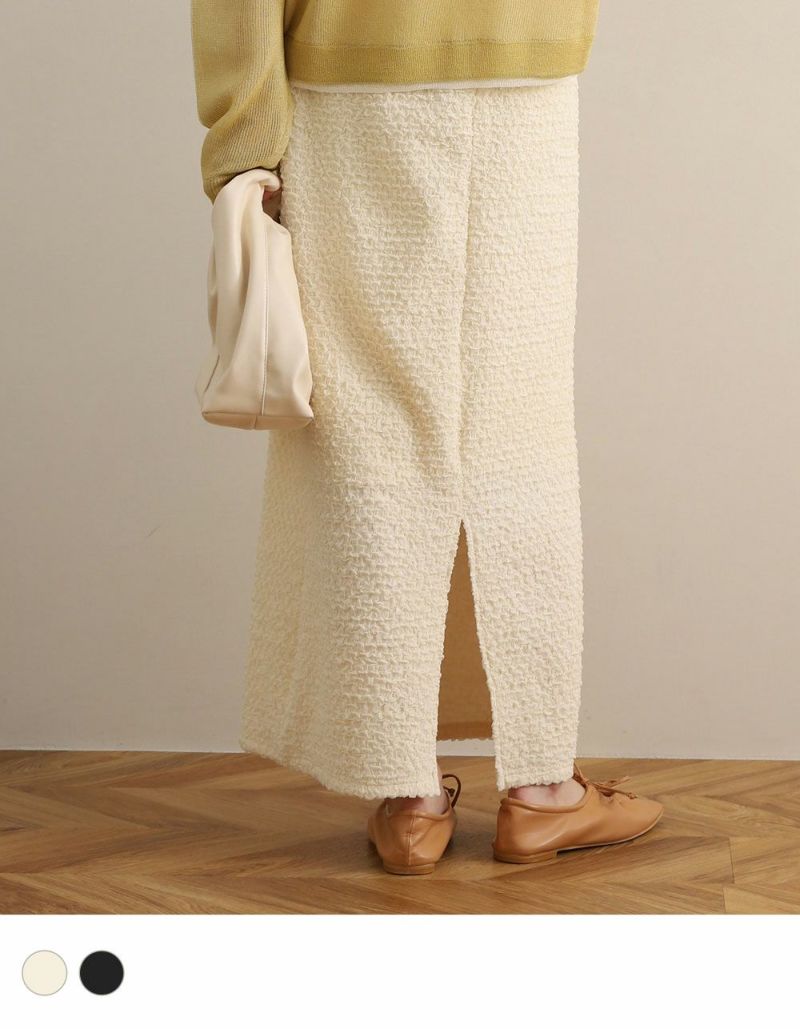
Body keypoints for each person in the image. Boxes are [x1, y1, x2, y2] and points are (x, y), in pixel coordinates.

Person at [190, 0, 664, 875]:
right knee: (520, 429)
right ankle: (544, 792)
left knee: (369, 431)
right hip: (529, 66)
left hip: (355, 76)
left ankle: (408, 797)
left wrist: (243, 143)